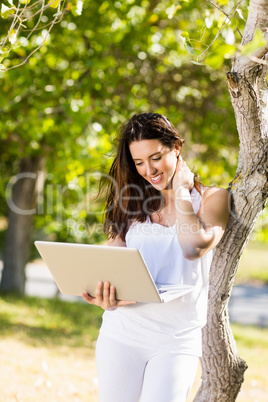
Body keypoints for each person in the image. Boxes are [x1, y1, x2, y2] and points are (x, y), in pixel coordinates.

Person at [82, 113, 230, 402]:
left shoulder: (214, 198)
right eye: (138, 163)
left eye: (155, 157)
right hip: (121, 335)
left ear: (176, 147)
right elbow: (116, 264)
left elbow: (192, 248)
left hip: (176, 341)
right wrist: (107, 295)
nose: (148, 170)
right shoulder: (129, 202)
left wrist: (182, 191)